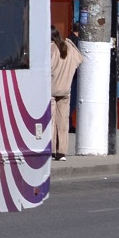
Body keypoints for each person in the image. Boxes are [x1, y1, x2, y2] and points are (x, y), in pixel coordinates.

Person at [49, 26, 82, 160]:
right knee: (63, 121)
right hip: (66, 89)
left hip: (51, 89)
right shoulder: (69, 47)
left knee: (50, 120)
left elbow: (46, 67)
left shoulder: (51, 48)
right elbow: (80, 59)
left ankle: (51, 149)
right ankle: (62, 151)